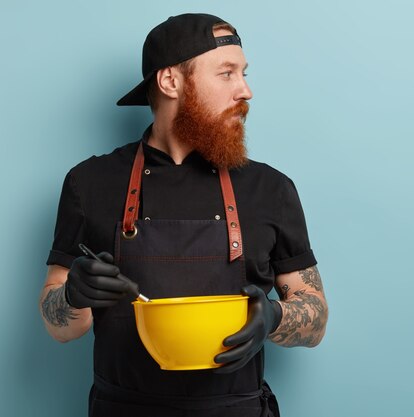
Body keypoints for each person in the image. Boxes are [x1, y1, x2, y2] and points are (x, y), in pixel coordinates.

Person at [38, 13, 328, 417]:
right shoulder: (89, 183)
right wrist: (72, 295)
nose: (245, 90)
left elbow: (315, 318)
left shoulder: (271, 189)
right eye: (226, 73)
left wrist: (275, 316)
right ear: (170, 81)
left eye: (243, 73)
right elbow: (60, 328)